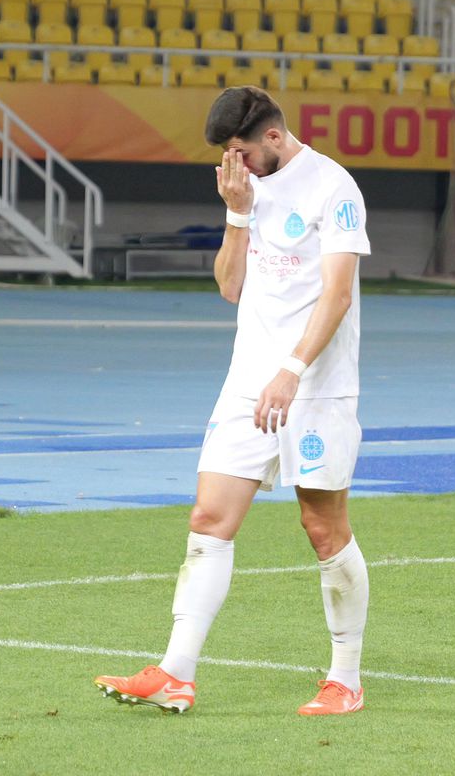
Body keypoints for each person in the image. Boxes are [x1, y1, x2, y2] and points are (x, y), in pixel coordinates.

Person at [94, 86, 371, 716]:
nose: (234, 165)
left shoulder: (334, 188)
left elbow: (337, 296)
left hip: (315, 384)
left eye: (241, 153)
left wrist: (292, 371)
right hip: (249, 380)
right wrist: (237, 214)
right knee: (208, 520)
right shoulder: (244, 187)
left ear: (273, 138)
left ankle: (346, 680)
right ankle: (175, 672)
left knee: (323, 528)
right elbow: (229, 288)